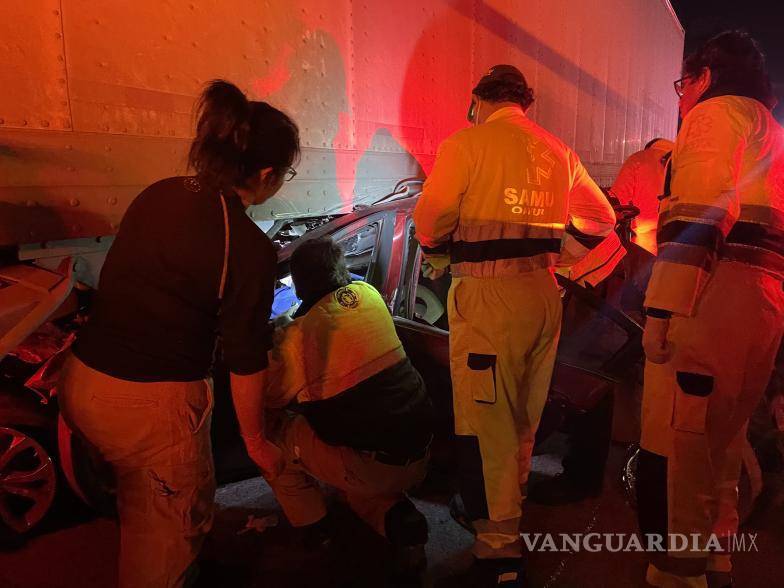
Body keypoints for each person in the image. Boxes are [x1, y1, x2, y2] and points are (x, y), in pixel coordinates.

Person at [58, 80, 300, 588]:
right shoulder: (247, 245)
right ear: (266, 174)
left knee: (145, 498)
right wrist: (257, 442)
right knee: (165, 538)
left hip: (82, 379)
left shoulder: (161, 192)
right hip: (149, 409)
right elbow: (246, 359)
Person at [413, 64, 617, 587]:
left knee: (487, 425)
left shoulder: (466, 144)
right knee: (523, 417)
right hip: (541, 296)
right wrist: (559, 256)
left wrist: (440, 254)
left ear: (478, 99)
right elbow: (601, 219)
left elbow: (430, 223)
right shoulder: (557, 151)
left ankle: (499, 553)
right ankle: (510, 511)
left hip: (488, 300)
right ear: (524, 101)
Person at [637, 31, 784, 588]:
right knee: (724, 437)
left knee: (679, 445)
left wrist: (662, 309)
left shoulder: (714, 114)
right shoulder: (772, 132)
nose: (681, 98)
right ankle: (717, 555)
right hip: (764, 304)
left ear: (705, 77)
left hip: (710, 297)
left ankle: (677, 573)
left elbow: (702, 208)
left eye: (684, 84)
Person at [261, 237, 434, 581]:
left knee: (271, 434)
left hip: (369, 463)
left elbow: (272, 395)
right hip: (420, 452)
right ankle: (401, 524)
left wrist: (277, 335)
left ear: (299, 285)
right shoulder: (370, 297)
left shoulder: (300, 336)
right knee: (354, 479)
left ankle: (315, 529)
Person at [610, 137, 675, 254]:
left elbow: (618, 200)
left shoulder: (638, 159)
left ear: (648, 148)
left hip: (645, 239)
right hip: (679, 234)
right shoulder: (683, 161)